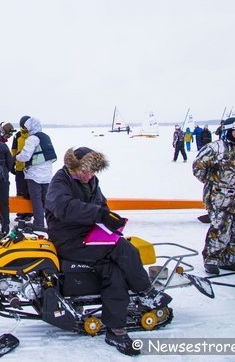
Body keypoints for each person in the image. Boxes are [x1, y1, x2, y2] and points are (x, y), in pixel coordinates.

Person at [44, 147, 170, 356]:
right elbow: (65, 207)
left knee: (114, 271)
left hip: (90, 236)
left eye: (93, 171)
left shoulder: (91, 181)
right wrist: (101, 215)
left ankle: (115, 329)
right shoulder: (59, 182)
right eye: (85, 171)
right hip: (69, 240)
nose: (89, 175)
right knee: (123, 248)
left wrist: (110, 221)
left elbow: (101, 205)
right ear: (73, 167)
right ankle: (146, 292)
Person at [193, 117, 235, 275]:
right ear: (228, 131)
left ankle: (228, 259)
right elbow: (198, 168)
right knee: (220, 227)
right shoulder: (214, 148)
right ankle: (212, 259)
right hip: (221, 199)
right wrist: (216, 184)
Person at [15, 117, 57, 228]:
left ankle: (39, 223)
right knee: (47, 200)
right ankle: (51, 223)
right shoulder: (46, 137)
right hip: (47, 174)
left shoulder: (32, 139)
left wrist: (16, 157)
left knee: (36, 200)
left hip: (34, 176)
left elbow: (25, 156)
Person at [10, 116, 31, 200]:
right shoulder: (18, 135)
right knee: (20, 192)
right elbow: (14, 150)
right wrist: (12, 164)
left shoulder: (34, 135)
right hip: (20, 169)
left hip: (31, 169)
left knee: (30, 191)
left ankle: (30, 211)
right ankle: (21, 211)